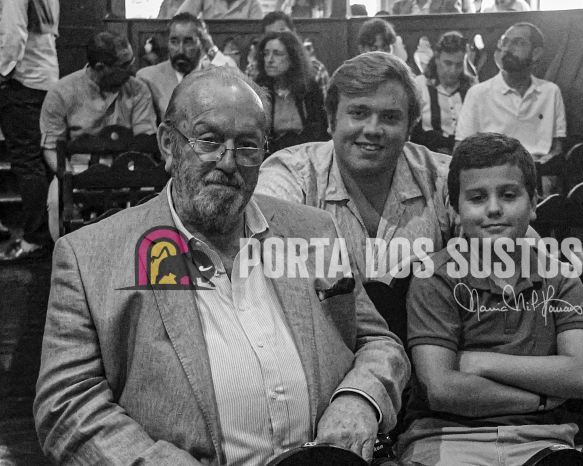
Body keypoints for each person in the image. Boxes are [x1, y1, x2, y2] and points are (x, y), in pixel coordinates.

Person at [34, 66, 410, 465]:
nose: (228, 162)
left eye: (247, 145)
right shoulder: (90, 257)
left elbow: (379, 343)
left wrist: (359, 399)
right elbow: (67, 404)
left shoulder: (313, 230)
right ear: (168, 144)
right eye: (209, 140)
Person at [398, 133, 583, 465]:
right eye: (477, 198)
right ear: (454, 208)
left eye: (508, 195)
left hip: (544, 438)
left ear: (533, 203)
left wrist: (479, 362)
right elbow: (442, 389)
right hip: (447, 436)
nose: (493, 209)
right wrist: (541, 399)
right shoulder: (435, 277)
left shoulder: (560, 277)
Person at [256, 52, 456, 281]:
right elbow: (260, 246)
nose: (372, 129)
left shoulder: (441, 177)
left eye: (390, 117)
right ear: (331, 120)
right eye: (359, 113)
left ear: (409, 128)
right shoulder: (293, 173)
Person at [41, 31, 158, 240]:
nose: (132, 70)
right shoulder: (61, 93)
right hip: (77, 169)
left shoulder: (138, 90)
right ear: (100, 67)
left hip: (127, 167)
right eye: (125, 65)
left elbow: (145, 139)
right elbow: (50, 147)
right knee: (56, 201)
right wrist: (69, 178)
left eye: (131, 61)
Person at [455, 23, 566, 193]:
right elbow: (461, 149)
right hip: (490, 178)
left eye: (518, 43)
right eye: (505, 42)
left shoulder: (550, 92)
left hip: (537, 177)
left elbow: (558, 148)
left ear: (536, 53)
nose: (507, 48)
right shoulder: (478, 94)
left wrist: (535, 167)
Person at [0, 0, 59, 261]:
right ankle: (47, 233)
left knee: (27, 163)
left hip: (22, 82)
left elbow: (13, 35)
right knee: (40, 161)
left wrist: (2, 73)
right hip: (45, 78)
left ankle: (35, 237)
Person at [136, 13, 238, 123]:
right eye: (174, 42)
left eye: (188, 42)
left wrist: (211, 48)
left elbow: (237, 79)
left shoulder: (214, 74)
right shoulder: (149, 77)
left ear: (202, 43)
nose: (180, 50)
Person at [255, 31, 328, 154]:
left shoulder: (309, 88)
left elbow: (320, 131)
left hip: (306, 154)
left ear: (293, 58)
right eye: (266, 54)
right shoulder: (259, 89)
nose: (269, 60)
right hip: (271, 157)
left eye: (277, 54)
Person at [411, 31, 475, 154]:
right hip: (429, 155)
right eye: (448, 63)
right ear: (437, 59)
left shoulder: (472, 88)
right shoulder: (419, 86)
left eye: (459, 65)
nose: (453, 70)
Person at [260, 11, 330, 98]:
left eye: (282, 33)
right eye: (271, 35)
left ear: (293, 32)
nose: (277, 39)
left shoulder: (316, 69)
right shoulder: (254, 69)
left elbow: (323, 105)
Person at [175, 0, 263, 19]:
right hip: (208, 54)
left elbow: (258, 36)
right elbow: (179, 20)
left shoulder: (252, 3)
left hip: (240, 56)